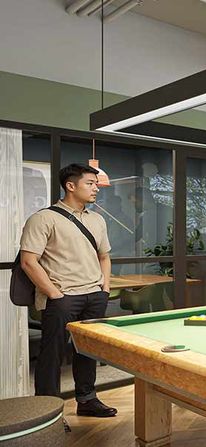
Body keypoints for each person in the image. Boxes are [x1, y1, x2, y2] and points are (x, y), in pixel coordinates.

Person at [19, 163, 118, 430]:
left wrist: (104, 288)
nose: (96, 188)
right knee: (52, 355)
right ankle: (48, 414)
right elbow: (29, 261)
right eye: (90, 183)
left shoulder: (97, 219)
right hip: (62, 298)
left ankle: (86, 399)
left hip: (94, 295)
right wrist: (54, 293)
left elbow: (104, 256)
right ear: (70, 186)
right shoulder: (43, 218)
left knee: (87, 351)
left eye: (96, 184)